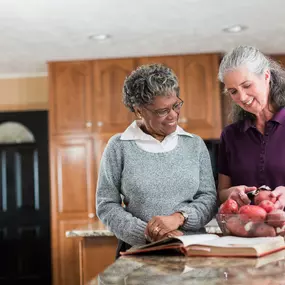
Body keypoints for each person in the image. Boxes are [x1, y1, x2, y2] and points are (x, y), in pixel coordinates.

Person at [96, 63, 217, 257]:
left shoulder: (194, 144)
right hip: (141, 252)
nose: (173, 116)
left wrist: (180, 218)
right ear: (139, 111)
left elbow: (209, 199)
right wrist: (150, 233)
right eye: (162, 111)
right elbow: (107, 205)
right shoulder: (119, 146)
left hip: (192, 252)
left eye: (176, 105)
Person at [218, 45, 285, 209]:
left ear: (266, 76)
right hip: (247, 229)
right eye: (233, 91)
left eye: (247, 85)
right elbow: (222, 193)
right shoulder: (230, 135)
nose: (242, 97)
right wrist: (231, 193)